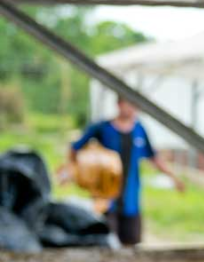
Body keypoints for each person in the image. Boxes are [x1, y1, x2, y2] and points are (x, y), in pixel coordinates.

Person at [70, 95, 184, 246]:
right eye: (129, 104)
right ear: (119, 104)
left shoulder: (139, 129)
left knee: (131, 242)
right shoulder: (102, 128)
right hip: (105, 198)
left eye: (135, 105)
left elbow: (153, 156)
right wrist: (74, 170)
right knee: (107, 241)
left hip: (131, 197)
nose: (131, 109)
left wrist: (173, 177)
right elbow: (75, 148)